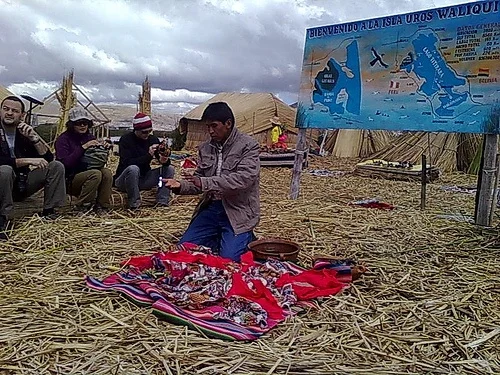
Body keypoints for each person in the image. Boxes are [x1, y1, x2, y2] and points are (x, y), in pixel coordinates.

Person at [164, 102, 260, 261]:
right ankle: (221, 237)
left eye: (214, 126)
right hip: (211, 209)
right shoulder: (205, 148)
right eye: (208, 126)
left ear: (228, 123)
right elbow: (198, 180)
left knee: (228, 260)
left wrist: (205, 182)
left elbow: (244, 179)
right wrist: (181, 185)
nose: (210, 131)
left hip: (237, 210)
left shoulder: (248, 146)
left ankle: (244, 236)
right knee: (183, 252)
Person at [0, 96, 66, 239]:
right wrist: (27, 161)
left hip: (21, 184)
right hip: (2, 183)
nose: (9, 113)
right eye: (6, 109)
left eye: (14, 111)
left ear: (22, 115)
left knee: (56, 166)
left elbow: (48, 159)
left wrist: (34, 138)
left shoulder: (23, 134)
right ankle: (3, 218)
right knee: (4, 170)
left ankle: (49, 211)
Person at [55, 107, 113, 213]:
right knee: (95, 174)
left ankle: (102, 205)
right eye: (79, 123)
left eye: (85, 123)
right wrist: (83, 147)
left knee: (107, 172)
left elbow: (96, 160)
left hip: (87, 174)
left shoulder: (90, 137)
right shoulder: (63, 140)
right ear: (72, 125)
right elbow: (65, 164)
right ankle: (83, 206)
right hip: (69, 179)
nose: (82, 125)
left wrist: (104, 147)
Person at [114, 113, 174, 209]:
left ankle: (162, 202)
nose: (147, 134)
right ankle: (134, 204)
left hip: (143, 179)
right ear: (136, 130)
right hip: (125, 180)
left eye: (149, 131)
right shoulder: (126, 140)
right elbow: (127, 163)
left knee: (170, 169)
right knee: (133, 169)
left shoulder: (152, 139)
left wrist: (164, 159)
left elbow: (164, 162)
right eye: (144, 132)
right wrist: (148, 155)